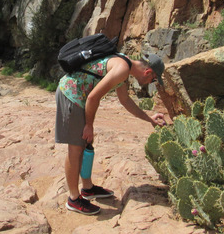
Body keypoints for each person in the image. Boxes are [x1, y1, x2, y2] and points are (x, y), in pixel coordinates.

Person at [54, 51, 167, 215]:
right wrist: (89, 125)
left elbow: (125, 101)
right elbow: (93, 97)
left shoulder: (124, 64)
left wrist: (149, 118)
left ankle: (87, 188)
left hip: (80, 97)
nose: (152, 82)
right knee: (76, 148)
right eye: (154, 79)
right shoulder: (122, 68)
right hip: (71, 95)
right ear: (148, 72)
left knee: (85, 143)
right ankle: (73, 199)